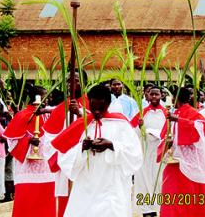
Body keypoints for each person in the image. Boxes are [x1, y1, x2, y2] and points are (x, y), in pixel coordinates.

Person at [51, 85, 143, 217]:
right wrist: (82, 147)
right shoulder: (82, 125)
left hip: (112, 184)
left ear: (108, 104)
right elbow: (65, 155)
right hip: (87, 182)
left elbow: (135, 153)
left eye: (101, 108)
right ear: (89, 103)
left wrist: (111, 145)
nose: (97, 112)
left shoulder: (121, 124)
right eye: (94, 108)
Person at [158, 87, 205, 217]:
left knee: (189, 193)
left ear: (175, 98)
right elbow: (166, 134)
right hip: (175, 159)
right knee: (172, 193)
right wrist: (168, 142)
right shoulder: (174, 113)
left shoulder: (192, 112)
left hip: (190, 161)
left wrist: (178, 120)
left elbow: (202, 127)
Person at [43, 70, 90, 216]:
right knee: (66, 202)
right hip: (66, 162)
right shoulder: (60, 108)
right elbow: (50, 138)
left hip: (87, 161)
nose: (71, 84)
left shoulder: (92, 104)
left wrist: (81, 113)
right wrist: (65, 153)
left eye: (75, 80)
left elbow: (101, 124)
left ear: (84, 82)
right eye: (68, 80)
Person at [3, 85, 56, 217]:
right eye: (45, 97)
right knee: (27, 202)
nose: (48, 100)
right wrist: (28, 141)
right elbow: (11, 141)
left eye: (48, 97)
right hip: (26, 167)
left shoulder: (48, 114)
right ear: (36, 99)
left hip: (46, 167)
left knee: (46, 203)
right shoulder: (22, 115)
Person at [131, 85, 167, 217]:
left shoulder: (166, 113)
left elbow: (170, 131)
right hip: (145, 152)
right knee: (144, 180)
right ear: (147, 96)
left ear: (161, 96)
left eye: (156, 94)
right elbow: (132, 132)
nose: (154, 97)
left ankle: (160, 207)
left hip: (160, 153)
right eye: (151, 94)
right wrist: (140, 128)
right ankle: (147, 210)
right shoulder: (142, 113)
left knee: (159, 181)